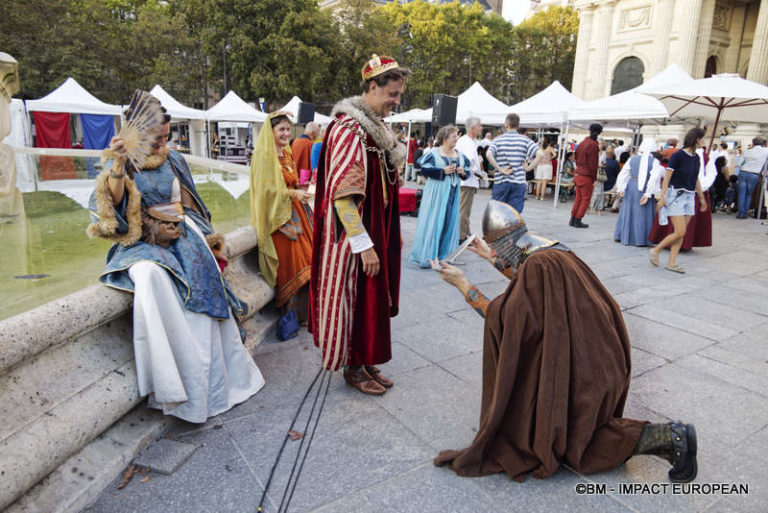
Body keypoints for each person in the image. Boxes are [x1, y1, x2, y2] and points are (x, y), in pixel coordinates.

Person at [429, 200, 698, 484]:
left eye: (496, 247)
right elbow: (530, 288)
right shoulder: (547, 249)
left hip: (586, 369)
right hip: (602, 354)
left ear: (509, 242)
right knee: (572, 425)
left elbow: (508, 319)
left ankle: (673, 437)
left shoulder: (538, 264)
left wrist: (463, 285)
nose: (494, 252)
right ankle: (670, 438)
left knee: (576, 437)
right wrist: (490, 258)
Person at [88, 104, 264, 423]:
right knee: (149, 276)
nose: (163, 143)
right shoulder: (122, 162)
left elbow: (190, 204)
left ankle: (210, 390)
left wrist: (205, 237)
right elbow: (112, 207)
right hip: (142, 240)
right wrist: (119, 163)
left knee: (201, 297)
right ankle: (172, 383)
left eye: (166, 136)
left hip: (184, 235)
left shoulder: (174, 159)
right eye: (156, 138)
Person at [309, 54, 410, 395]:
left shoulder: (373, 130)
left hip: (376, 229)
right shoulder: (349, 130)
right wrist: (363, 245)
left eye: (399, 94)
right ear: (372, 87)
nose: (396, 101)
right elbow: (342, 196)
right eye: (393, 94)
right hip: (355, 237)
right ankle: (353, 366)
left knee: (371, 300)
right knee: (354, 299)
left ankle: (365, 359)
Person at [250, 112, 314, 324]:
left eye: (288, 129)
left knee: (311, 256)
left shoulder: (286, 153)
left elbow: (290, 182)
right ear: (271, 132)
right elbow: (266, 191)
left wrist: (301, 190)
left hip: (295, 212)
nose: (286, 133)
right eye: (281, 129)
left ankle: (305, 314)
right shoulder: (264, 157)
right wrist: (294, 193)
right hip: (277, 217)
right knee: (296, 260)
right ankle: (289, 313)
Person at [409, 125, 470, 268]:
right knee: (434, 221)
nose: (456, 138)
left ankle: (444, 255)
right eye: (453, 136)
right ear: (445, 138)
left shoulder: (459, 155)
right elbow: (423, 169)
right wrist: (442, 171)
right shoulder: (434, 153)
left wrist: (462, 172)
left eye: (456, 136)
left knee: (448, 222)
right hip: (436, 192)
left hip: (452, 193)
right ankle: (430, 256)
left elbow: (467, 172)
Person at [649, 128, 708, 273]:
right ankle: (656, 250)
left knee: (681, 232)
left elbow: (696, 179)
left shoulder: (696, 157)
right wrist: (663, 197)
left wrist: (701, 198)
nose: (704, 141)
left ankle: (672, 262)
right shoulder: (678, 156)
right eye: (703, 138)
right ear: (697, 139)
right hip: (675, 194)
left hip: (689, 195)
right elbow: (667, 178)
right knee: (680, 231)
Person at [486, 113, 543, 213]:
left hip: (501, 181)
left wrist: (500, 169)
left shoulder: (498, 140)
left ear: (506, 125)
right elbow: (540, 154)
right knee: (514, 214)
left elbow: (488, 154)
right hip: (518, 181)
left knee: (496, 213)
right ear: (518, 126)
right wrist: (528, 168)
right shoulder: (525, 140)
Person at [613, 138, 664, 246]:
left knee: (628, 211)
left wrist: (621, 188)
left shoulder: (632, 159)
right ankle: (641, 239)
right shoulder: (654, 161)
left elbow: (623, 174)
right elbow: (654, 178)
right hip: (644, 188)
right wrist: (648, 193)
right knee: (642, 214)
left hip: (631, 187)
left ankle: (622, 235)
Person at [456, 117, 485, 241]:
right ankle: (461, 235)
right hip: (467, 180)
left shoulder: (468, 141)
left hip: (467, 180)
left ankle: (466, 233)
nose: (481, 128)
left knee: (465, 209)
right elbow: (467, 162)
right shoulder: (467, 142)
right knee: (464, 210)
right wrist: (477, 171)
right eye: (480, 126)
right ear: (473, 128)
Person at [570, 123, 602, 228]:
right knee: (586, 199)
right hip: (586, 175)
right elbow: (593, 164)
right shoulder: (593, 145)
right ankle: (578, 219)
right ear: (599, 133)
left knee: (578, 198)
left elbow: (576, 156)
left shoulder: (582, 143)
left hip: (578, 173)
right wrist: (594, 178)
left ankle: (573, 218)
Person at [736, 137, 768, 219]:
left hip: (743, 172)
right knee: (749, 194)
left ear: (753, 143)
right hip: (754, 174)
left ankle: (740, 213)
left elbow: (739, 164)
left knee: (742, 194)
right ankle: (745, 213)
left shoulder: (747, 151)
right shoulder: (765, 151)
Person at [533, 136, 556, 201]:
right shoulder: (550, 148)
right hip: (547, 165)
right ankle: (542, 197)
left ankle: (537, 196)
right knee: (544, 182)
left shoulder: (540, 148)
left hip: (540, 166)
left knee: (539, 182)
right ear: (550, 142)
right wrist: (550, 158)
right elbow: (555, 155)